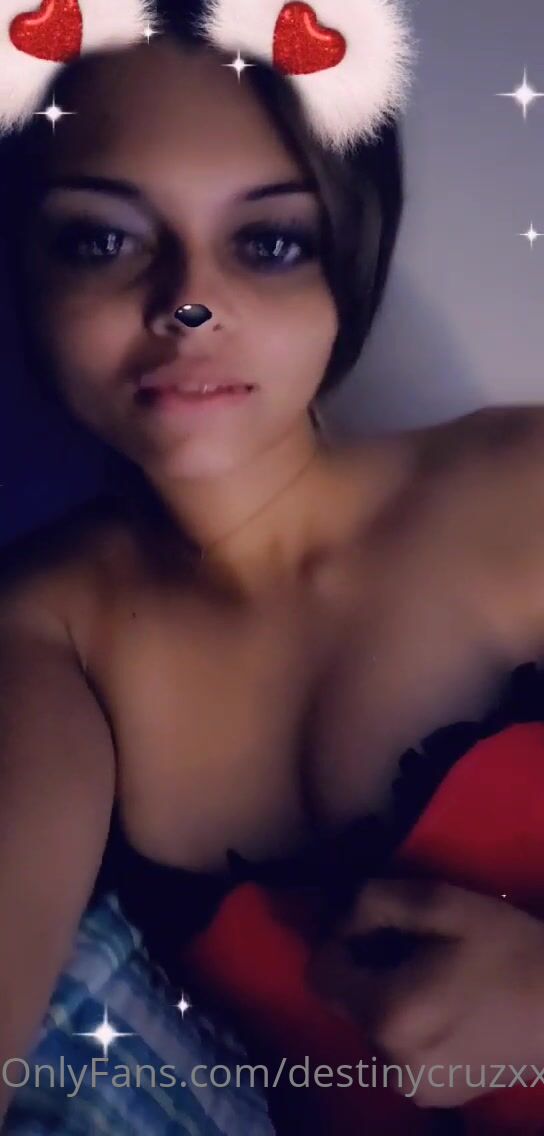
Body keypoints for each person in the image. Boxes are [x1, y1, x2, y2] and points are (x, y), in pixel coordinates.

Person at [2, 3, 544, 1134]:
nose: (187, 306)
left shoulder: (521, 487)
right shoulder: (46, 629)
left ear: (348, 257)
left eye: (268, 242)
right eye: (101, 239)